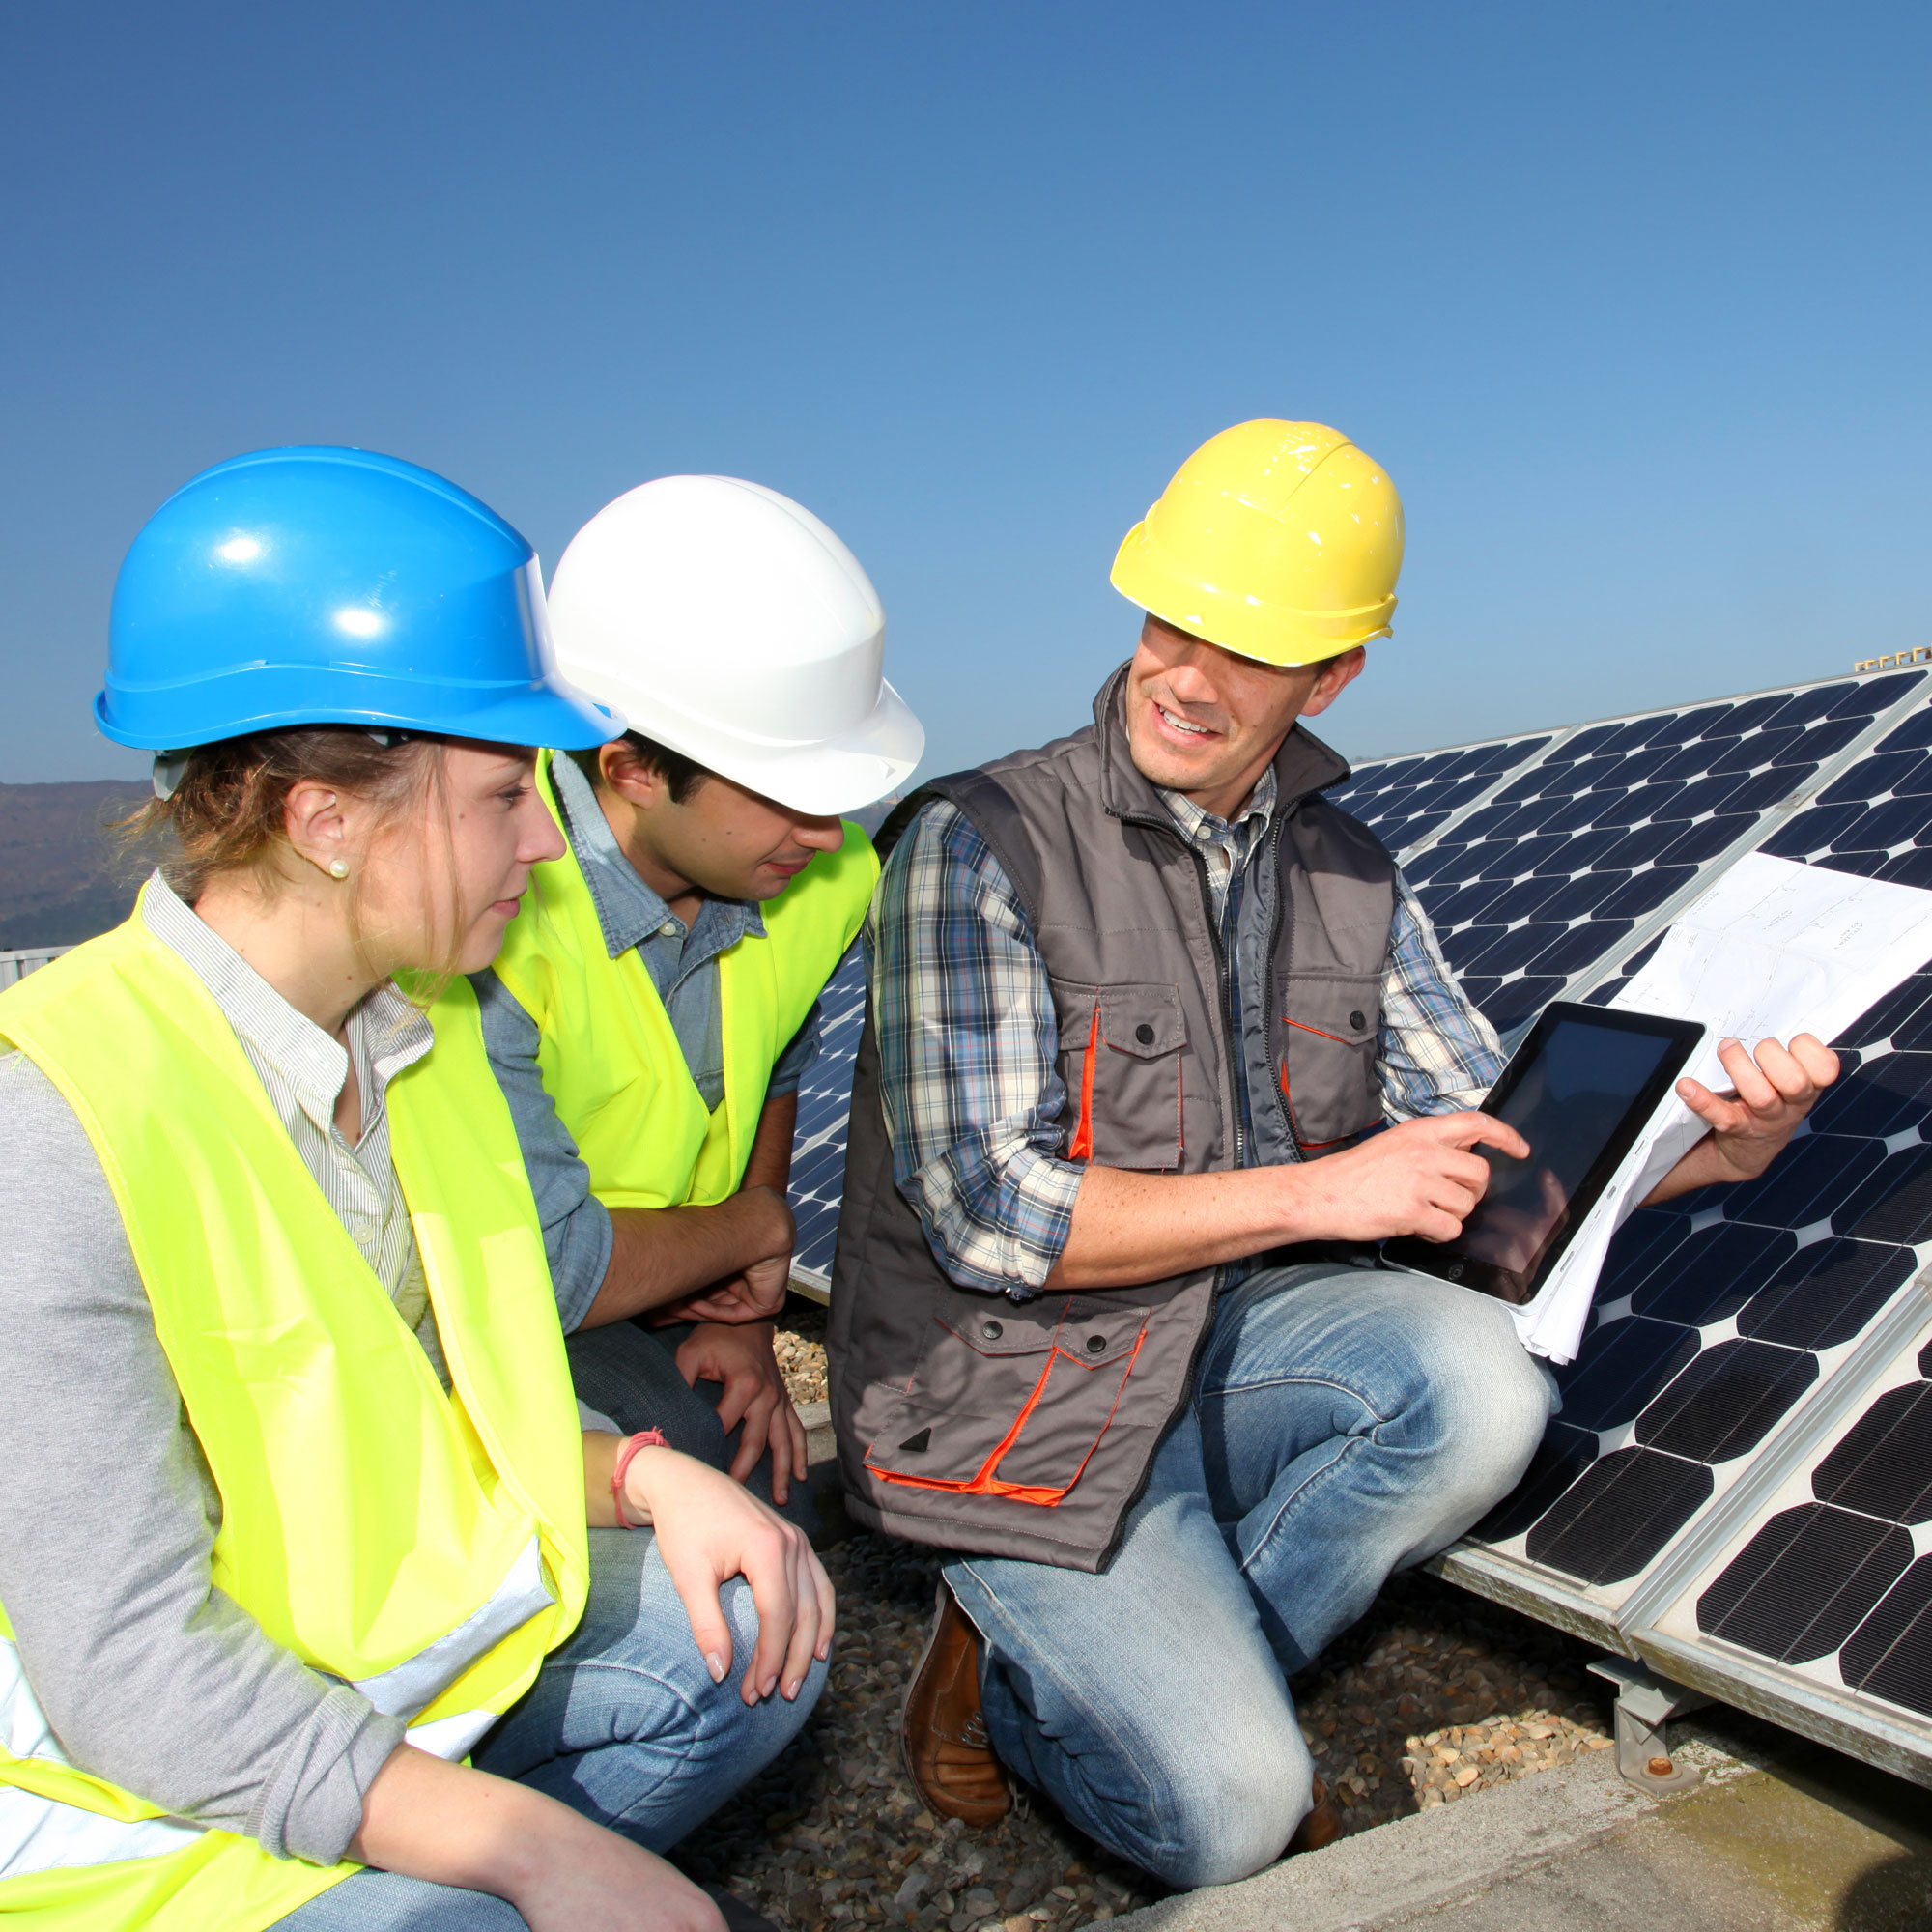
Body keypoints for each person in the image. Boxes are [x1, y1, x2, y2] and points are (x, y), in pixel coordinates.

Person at [826, 419, 1839, 1888]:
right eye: (1176, 621)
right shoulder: (979, 843)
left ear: (1334, 674)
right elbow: (987, 1217)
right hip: (1014, 1381)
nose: (1188, 674)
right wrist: (1319, 1191)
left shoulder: (1351, 868)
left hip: (1234, 1330)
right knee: (1235, 1819)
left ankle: (1132, 1657)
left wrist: (1711, 1155)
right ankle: (1028, 1671)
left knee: (1485, 1390)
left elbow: (1484, 1149)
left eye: (1249, 646)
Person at [0, 447, 832, 1932]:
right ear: (325, 821)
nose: (544, 843)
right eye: (508, 793)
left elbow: (459, 1406)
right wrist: (525, 1850)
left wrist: (642, 1471)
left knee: (752, 1627)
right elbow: (127, 1663)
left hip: (351, 1689)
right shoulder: (57, 1124)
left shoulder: (420, 1042)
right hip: (128, 1816)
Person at [472, 475, 923, 1509]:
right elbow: (543, 1269)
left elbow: (774, 1065)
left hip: (670, 1282)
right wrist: (761, 1229)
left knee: (761, 1462)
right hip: (481, 1311)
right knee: (680, 1460)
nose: (826, 835)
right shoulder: (483, 913)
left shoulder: (821, 877)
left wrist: (740, 1314)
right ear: (630, 767)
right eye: (786, 796)